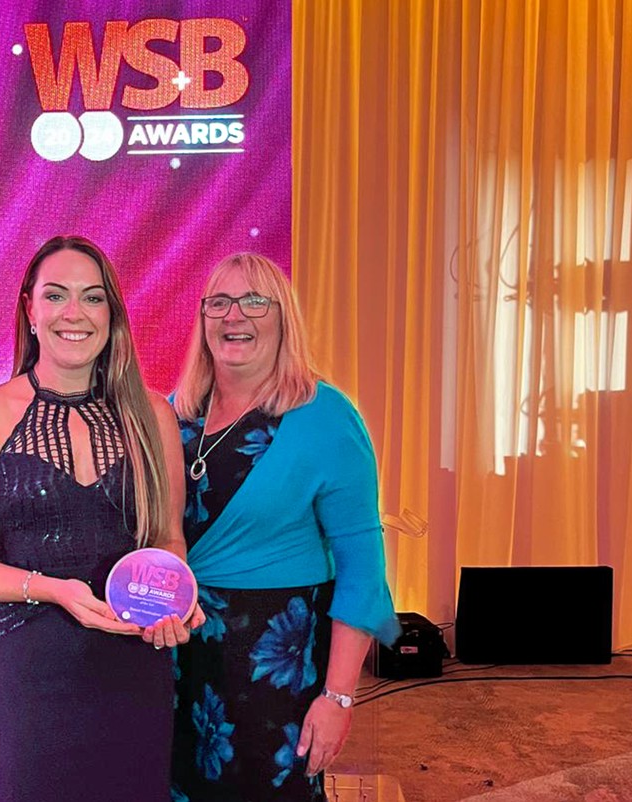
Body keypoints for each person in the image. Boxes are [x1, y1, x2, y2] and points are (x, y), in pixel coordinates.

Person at [0, 235, 203, 802]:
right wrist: (51, 590)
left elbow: (168, 536)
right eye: (56, 296)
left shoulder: (152, 414)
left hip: (132, 660)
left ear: (112, 314)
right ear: (30, 308)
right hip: (31, 670)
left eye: (92, 298)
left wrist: (172, 600)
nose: (74, 313)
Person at [168, 253, 401, 802]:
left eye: (254, 301)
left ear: (283, 318)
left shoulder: (324, 415)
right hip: (178, 656)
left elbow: (362, 571)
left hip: (273, 665)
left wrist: (339, 697)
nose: (234, 317)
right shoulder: (179, 413)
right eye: (218, 303)